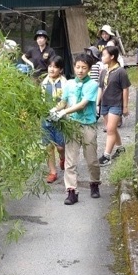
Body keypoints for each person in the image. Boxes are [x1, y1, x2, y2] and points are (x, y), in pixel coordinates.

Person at [50, 54, 101, 204]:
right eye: (78, 67)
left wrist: (64, 112)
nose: (80, 70)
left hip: (87, 125)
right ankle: (71, 191)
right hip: (72, 125)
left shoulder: (92, 85)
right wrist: (54, 109)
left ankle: (94, 183)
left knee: (91, 159)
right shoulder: (69, 84)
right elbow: (64, 101)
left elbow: (83, 104)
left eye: (84, 68)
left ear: (89, 69)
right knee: (70, 160)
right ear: (74, 67)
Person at [97, 46, 130, 166]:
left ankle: (106, 156)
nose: (102, 57)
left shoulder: (121, 71)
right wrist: (97, 103)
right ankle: (120, 148)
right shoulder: (104, 71)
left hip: (116, 104)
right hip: (105, 104)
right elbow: (101, 87)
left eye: (104, 55)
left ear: (112, 57)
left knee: (110, 130)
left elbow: (125, 89)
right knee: (112, 129)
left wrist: (125, 106)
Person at [40, 56, 67, 183]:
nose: (52, 69)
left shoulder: (64, 83)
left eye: (55, 67)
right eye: (50, 66)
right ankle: (52, 172)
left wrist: (57, 110)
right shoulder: (43, 82)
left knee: (60, 146)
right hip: (45, 119)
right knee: (48, 147)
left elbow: (65, 101)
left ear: (60, 69)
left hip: (60, 119)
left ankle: (62, 158)